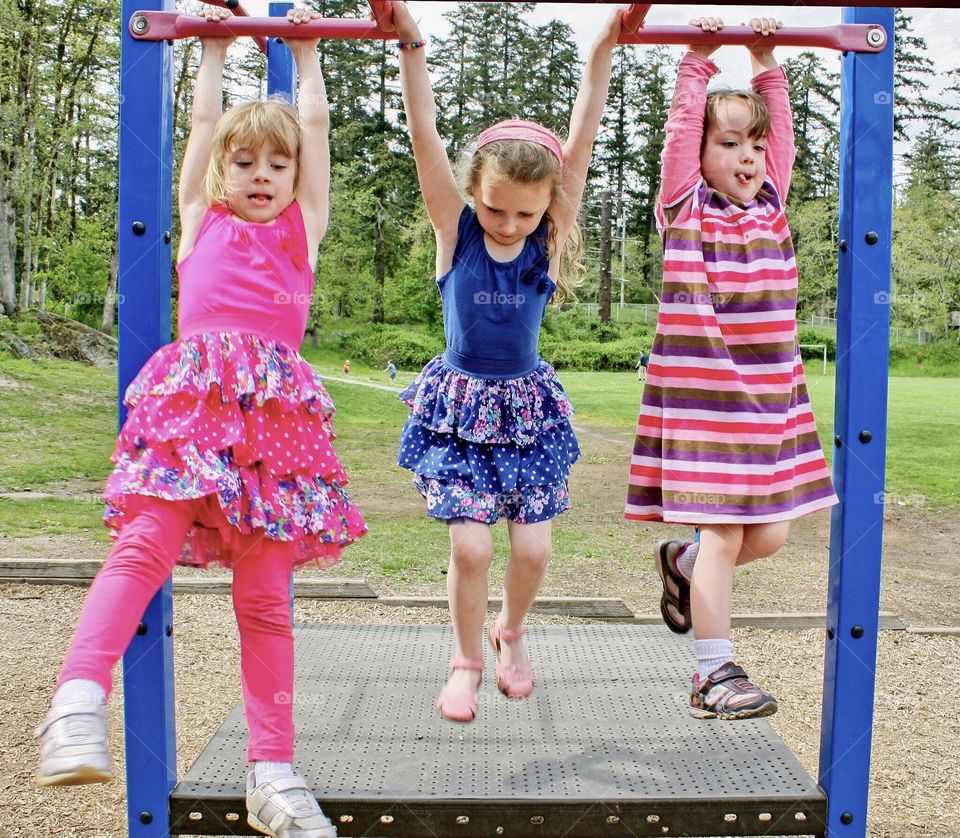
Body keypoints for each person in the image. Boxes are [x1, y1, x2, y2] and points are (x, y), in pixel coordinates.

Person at [35, 9, 365, 837]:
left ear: (296, 178)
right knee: (145, 542)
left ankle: (273, 770)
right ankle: (77, 698)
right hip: (194, 410)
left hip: (275, 430)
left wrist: (308, 57)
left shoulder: (301, 230)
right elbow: (205, 126)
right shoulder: (202, 220)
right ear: (221, 173)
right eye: (245, 162)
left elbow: (316, 127)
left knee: (266, 599)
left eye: (278, 163)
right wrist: (213, 53)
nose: (262, 173)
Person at [385, 1, 622, 723]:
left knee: (533, 551)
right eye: (496, 210)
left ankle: (510, 634)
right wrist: (411, 48)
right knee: (469, 549)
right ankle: (464, 660)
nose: (510, 224)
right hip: (460, 405)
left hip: (526, 409)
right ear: (475, 196)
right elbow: (425, 135)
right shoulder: (456, 233)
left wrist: (602, 49)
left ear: (548, 207)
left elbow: (582, 135)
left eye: (525, 214)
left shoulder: (547, 239)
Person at [624, 16, 838, 720]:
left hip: (771, 397)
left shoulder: (772, 204)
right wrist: (697, 60)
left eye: (755, 142)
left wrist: (767, 57)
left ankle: (683, 567)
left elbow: (784, 138)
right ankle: (712, 674)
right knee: (723, 533)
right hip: (704, 396)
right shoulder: (687, 208)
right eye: (728, 143)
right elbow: (681, 131)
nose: (747, 156)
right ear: (701, 153)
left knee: (768, 535)